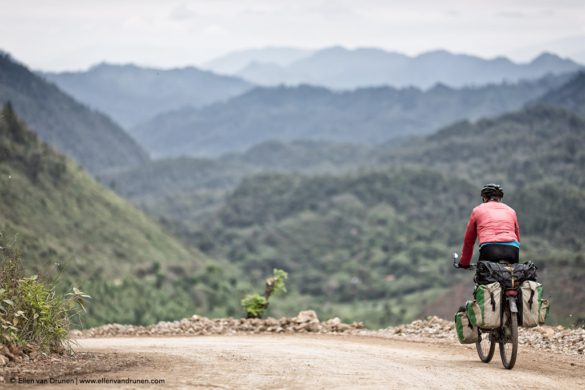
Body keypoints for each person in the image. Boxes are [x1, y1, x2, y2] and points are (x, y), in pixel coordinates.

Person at [457, 184, 520, 269]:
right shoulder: (511, 211)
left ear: (485, 198)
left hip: (490, 248)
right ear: (500, 199)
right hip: (512, 249)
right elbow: (517, 237)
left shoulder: (477, 210)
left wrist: (464, 263)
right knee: (513, 278)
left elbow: (469, 241)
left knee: (484, 278)